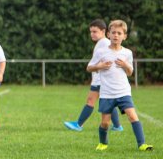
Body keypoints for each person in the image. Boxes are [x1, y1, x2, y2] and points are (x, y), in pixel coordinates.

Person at [87, 20, 153, 151]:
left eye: (119, 33)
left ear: (124, 36)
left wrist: (125, 65)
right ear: (108, 34)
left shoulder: (127, 53)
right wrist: (99, 66)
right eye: (113, 33)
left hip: (123, 92)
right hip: (106, 93)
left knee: (133, 116)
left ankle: (142, 144)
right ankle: (103, 143)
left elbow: (130, 73)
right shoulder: (101, 52)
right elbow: (89, 68)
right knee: (105, 123)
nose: (116, 35)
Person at [64, 19, 123, 132]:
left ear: (103, 31)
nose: (92, 34)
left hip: (100, 80)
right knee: (109, 103)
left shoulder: (104, 43)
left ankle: (78, 124)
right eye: (91, 31)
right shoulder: (102, 43)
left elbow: (107, 61)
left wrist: (100, 67)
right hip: (100, 79)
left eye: (95, 31)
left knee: (91, 101)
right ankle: (117, 126)